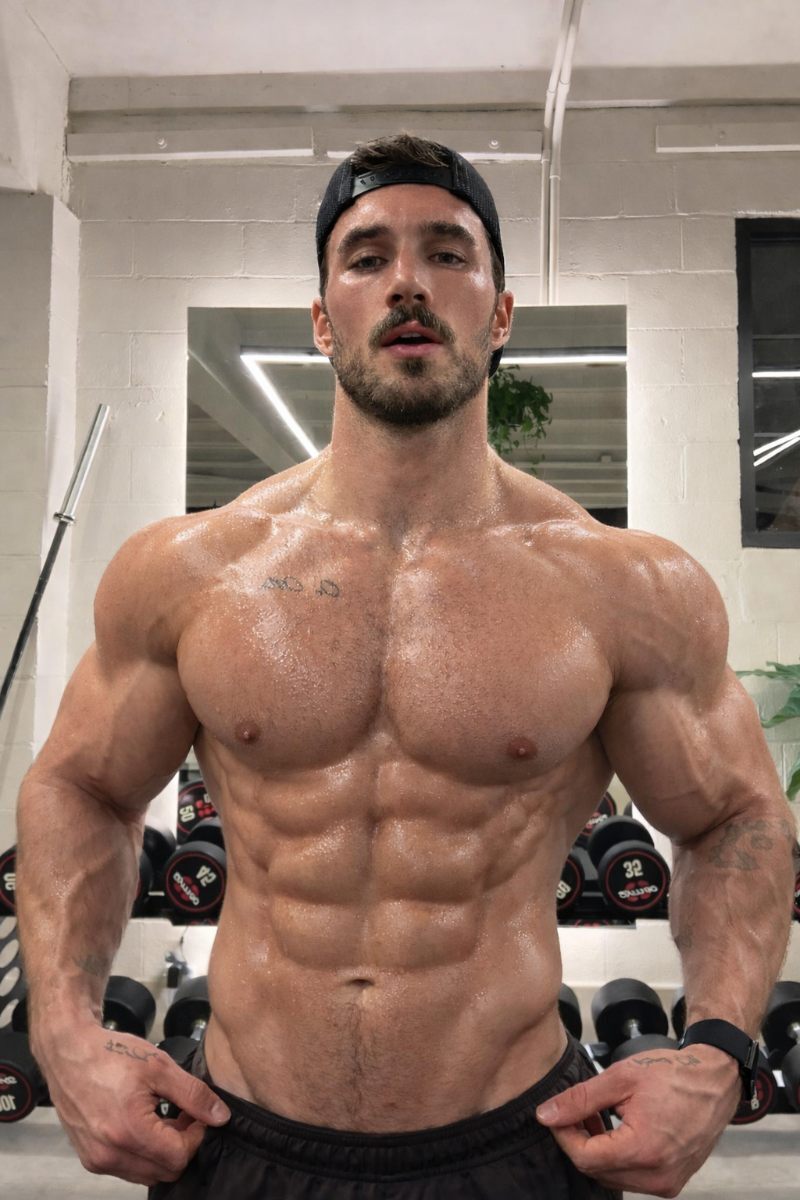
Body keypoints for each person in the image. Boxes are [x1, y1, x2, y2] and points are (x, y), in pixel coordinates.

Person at [15, 132, 795, 1200]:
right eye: (368, 256)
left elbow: (736, 818)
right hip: (238, 1142)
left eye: (447, 253)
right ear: (321, 317)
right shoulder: (191, 570)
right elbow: (80, 787)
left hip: (515, 1145)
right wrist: (61, 1031)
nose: (408, 284)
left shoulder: (622, 587)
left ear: (501, 311)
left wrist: (715, 1053)